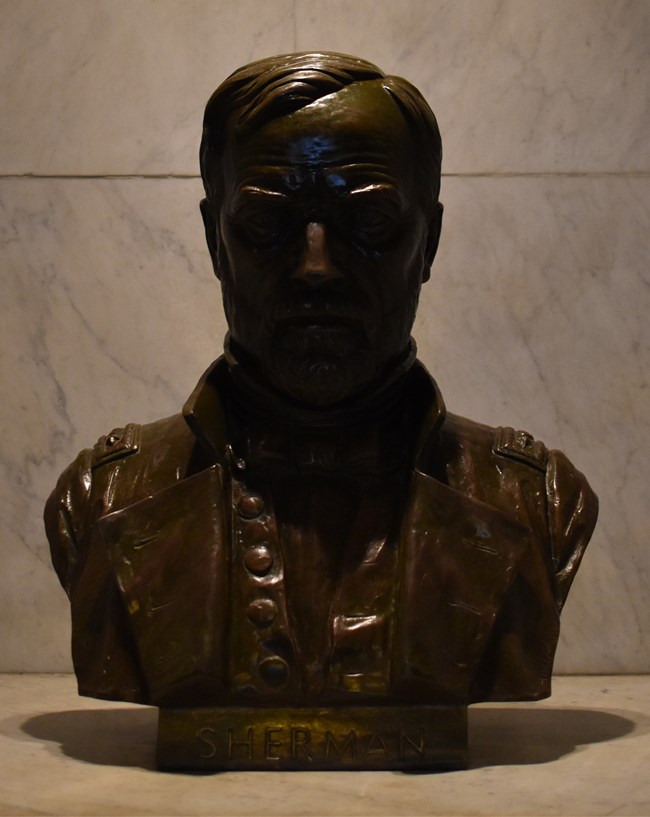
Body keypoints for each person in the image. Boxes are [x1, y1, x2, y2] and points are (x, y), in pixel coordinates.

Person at [45, 52, 597, 710]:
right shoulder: (103, 495)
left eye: (368, 225)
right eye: (266, 225)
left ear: (431, 242)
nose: (315, 268)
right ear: (215, 241)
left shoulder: (538, 500)